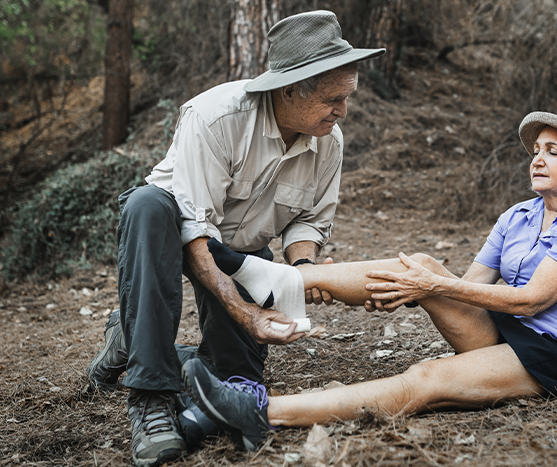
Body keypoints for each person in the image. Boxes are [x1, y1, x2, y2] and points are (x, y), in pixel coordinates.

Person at [180, 109, 557, 448]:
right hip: (504, 333)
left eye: (554, 152)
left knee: (427, 378)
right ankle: (287, 283)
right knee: (419, 263)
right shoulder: (519, 216)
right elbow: (467, 285)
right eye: (536, 151)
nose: (538, 159)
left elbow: (534, 300)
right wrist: (413, 288)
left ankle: (260, 410)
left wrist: (430, 288)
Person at [85, 10, 384, 467]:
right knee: (147, 206)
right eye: (332, 99)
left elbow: (307, 223)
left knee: (236, 381)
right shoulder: (215, 116)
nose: (342, 111)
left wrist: (300, 274)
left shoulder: (330, 140)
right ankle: (149, 398)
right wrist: (243, 309)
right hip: (177, 231)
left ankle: (131, 338)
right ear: (289, 89)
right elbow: (195, 228)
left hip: (244, 252)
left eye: (347, 96)